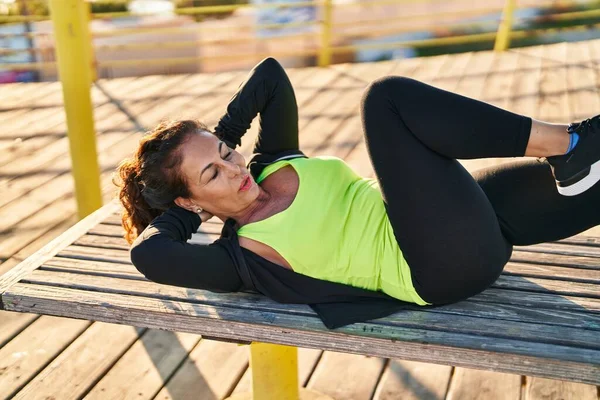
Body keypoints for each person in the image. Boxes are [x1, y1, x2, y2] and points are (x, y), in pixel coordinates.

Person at [114, 57, 600, 329]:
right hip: (434, 267)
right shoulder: (240, 257)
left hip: (458, 223)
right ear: (188, 200)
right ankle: (571, 143)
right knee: (386, 100)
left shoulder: (273, 161)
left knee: (590, 182)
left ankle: (578, 153)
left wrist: (222, 139)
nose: (234, 168)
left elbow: (270, 77)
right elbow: (151, 257)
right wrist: (190, 210)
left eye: (227, 153)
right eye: (213, 175)